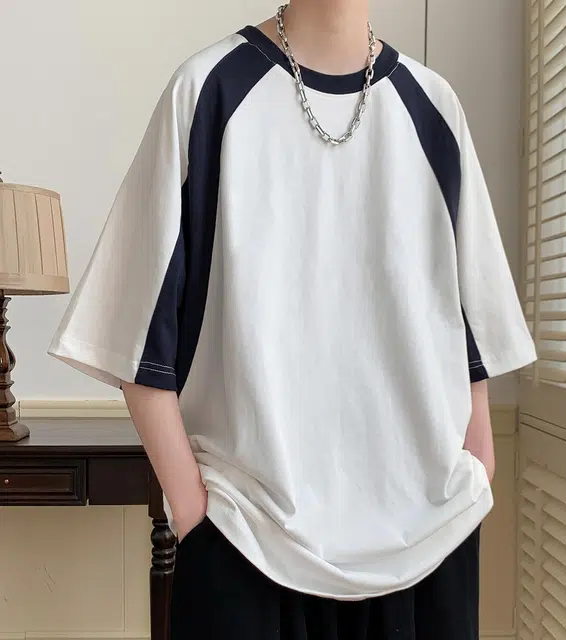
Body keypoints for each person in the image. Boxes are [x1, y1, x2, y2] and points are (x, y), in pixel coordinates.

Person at [49, 1, 537, 638]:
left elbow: (475, 332)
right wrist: (197, 515)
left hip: (429, 546)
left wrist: (475, 467)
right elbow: (132, 332)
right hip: (245, 543)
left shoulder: (434, 106)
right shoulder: (207, 92)